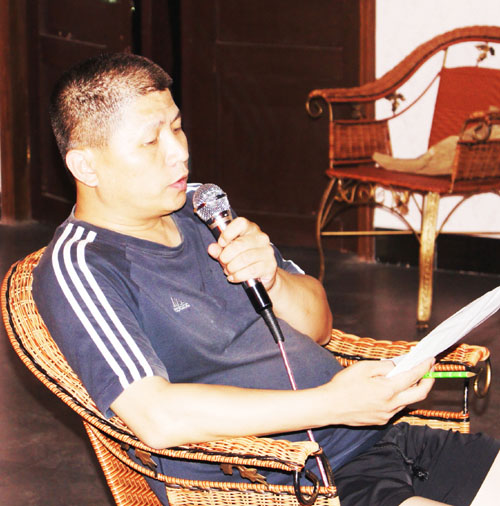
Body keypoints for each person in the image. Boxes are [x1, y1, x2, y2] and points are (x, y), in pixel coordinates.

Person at [32, 53, 499, 506]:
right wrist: (334, 404)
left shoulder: (202, 208)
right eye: (151, 141)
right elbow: (155, 416)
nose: (180, 153)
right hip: (290, 482)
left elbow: (319, 326)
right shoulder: (83, 265)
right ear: (85, 166)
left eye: (176, 127)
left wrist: (273, 279)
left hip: (378, 439)